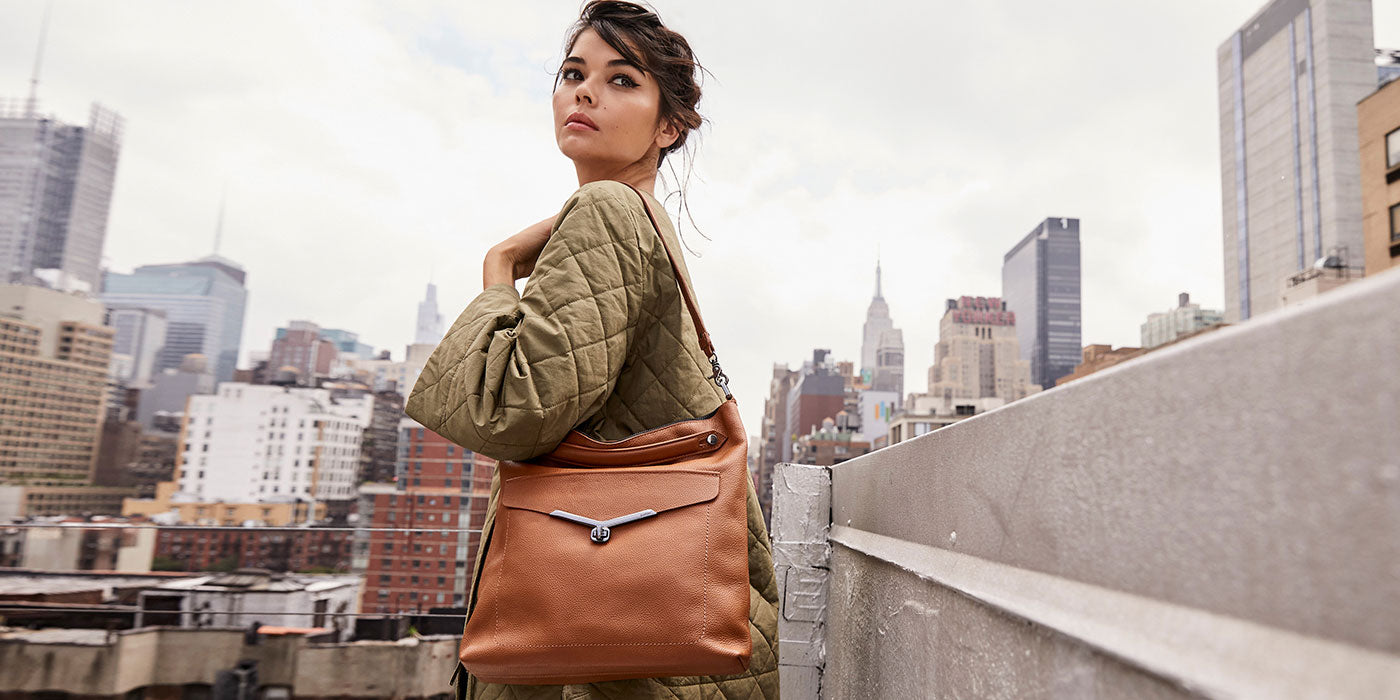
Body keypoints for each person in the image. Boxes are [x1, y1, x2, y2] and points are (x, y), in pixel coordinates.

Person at [403, 2, 780, 698]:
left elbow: (510, 412)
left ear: (669, 127)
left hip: (602, 668)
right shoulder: (639, 221)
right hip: (658, 645)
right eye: (573, 72)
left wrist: (497, 268)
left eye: (621, 80)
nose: (583, 91)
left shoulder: (606, 213)